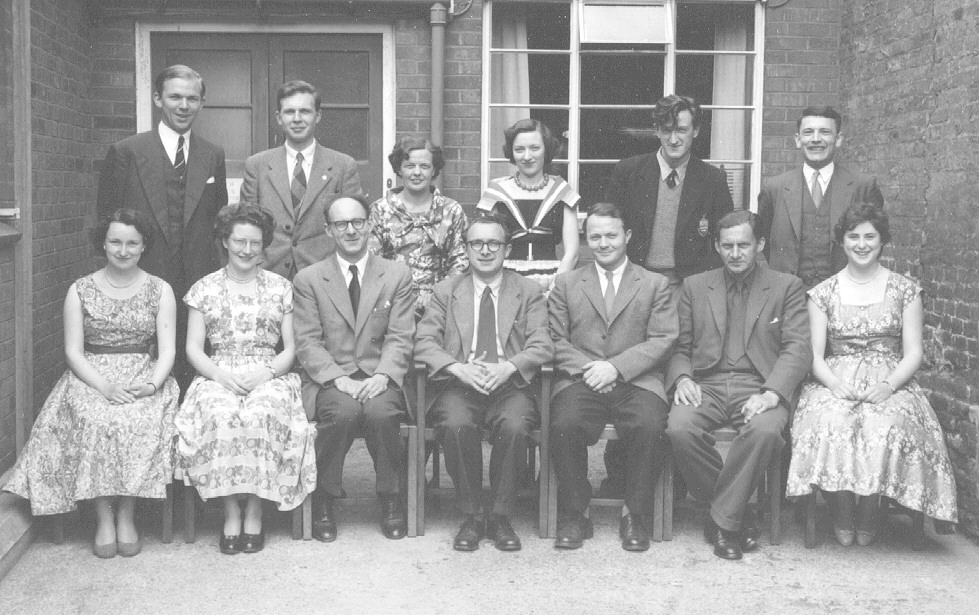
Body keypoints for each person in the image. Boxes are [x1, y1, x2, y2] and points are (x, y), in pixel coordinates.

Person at [5, 209, 179, 559]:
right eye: (115, 241)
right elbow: (73, 351)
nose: (123, 250)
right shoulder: (80, 289)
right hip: (91, 375)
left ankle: (127, 514)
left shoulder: (160, 289)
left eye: (132, 243)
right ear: (103, 243)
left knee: (138, 419)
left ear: (144, 246)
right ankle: (103, 517)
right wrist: (104, 386)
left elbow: (167, 350)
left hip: (141, 374)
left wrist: (150, 386)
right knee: (96, 419)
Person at [786, 203, 957, 546]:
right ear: (843, 242)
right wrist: (834, 384)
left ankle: (870, 508)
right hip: (835, 376)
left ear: (882, 241)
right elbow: (814, 355)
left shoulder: (905, 290)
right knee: (830, 420)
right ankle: (840, 506)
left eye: (869, 236)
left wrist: (888, 385)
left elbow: (914, 353)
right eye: (853, 237)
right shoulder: (823, 293)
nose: (861, 244)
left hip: (891, 377)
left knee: (887, 423)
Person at [602, 94, 734, 498]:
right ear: (656, 131)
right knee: (631, 369)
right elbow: (609, 226)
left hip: (685, 288)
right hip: (636, 286)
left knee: (675, 375)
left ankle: (672, 481)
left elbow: (721, 236)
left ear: (696, 131)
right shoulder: (629, 171)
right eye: (666, 128)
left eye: (682, 128)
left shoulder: (711, 179)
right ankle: (619, 473)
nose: (674, 137)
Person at [666, 210, 811, 560]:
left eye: (743, 245)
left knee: (764, 431)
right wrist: (683, 377)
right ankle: (736, 514)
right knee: (678, 428)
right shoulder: (695, 286)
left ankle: (722, 523)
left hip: (760, 386)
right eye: (727, 245)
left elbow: (798, 348)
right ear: (716, 246)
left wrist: (773, 392)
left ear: (759, 244)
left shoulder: (786, 286)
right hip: (707, 383)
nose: (735, 253)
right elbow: (677, 345)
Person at [175, 204, 316, 555]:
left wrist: (266, 373)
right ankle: (229, 511)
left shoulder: (281, 288)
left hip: (269, 371)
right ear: (225, 241)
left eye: (255, 243)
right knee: (220, 415)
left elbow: (292, 347)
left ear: (263, 245)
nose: (246, 250)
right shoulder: (203, 288)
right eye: (239, 241)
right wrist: (219, 375)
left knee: (260, 415)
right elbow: (193, 348)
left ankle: (255, 508)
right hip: (217, 371)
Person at [414, 213, 552, 552]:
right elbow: (423, 341)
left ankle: (501, 516)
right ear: (466, 248)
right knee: (456, 424)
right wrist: (458, 368)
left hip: (510, 384)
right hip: (460, 383)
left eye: (494, 243)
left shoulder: (528, 290)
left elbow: (543, 343)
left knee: (516, 426)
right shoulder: (447, 291)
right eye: (477, 243)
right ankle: (473, 515)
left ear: (506, 249)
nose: (485, 250)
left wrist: (509, 367)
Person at [548, 203, 677, 552]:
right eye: (595, 237)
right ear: (586, 240)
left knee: (651, 424)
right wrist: (590, 369)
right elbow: (554, 338)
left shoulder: (654, 284)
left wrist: (616, 367)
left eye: (611, 235)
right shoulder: (567, 282)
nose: (603, 243)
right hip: (581, 378)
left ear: (627, 236)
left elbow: (664, 338)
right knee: (564, 420)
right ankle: (576, 512)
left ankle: (634, 513)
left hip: (636, 380)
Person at [96, 64, 228, 392]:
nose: (184, 106)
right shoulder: (126, 152)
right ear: (158, 99)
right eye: (175, 97)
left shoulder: (213, 155)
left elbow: (218, 220)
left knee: (190, 373)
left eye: (192, 98)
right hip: (142, 279)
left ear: (201, 102)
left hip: (196, 281)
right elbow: (105, 223)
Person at [294, 194, 415, 542]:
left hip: (380, 375)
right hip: (333, 378)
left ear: (370, 224)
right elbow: (307, 341)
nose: (351, 230)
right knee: (343, 413)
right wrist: (340, 380)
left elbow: (401, 335)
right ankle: (324, 500)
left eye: (358, 222)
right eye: (341, 224)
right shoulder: (310, 279)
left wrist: (382, 376)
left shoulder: (396, 274)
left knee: (382, 413)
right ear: (328, 230)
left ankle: (391, 498)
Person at [240, 80, 363, 279]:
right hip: (268, 276)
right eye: (289, 112)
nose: (297, 119)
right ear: (279, 118)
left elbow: (354, 226)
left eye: (305, 111)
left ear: (318, 116)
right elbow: (246, 226)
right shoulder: (257, 165)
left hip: (325, 277)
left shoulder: (342, 166)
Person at [757, 106, 884, 289]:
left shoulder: (862, 186)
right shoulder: (774, 187)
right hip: (789, 297)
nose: (816, 139)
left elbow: (875, 243)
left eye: (825, 132)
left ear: (838, 139)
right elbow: (766, 242)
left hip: (846, 293)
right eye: (808, 132)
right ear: (798, 140)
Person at [368, 136, 469, 317]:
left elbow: (460, 262)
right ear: (399, 169)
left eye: (424, 166)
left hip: (442, 306)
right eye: (409, 166)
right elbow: (373, 262)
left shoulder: (451, 210)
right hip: (391, 306)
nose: (417, 172)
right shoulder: (380, 210)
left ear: (434, 170)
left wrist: (437, 296)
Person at [476, 118, 580, 290]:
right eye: (519, 149)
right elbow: (486, 246)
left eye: (534, 148)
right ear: (511, 152)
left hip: (553, 280)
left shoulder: (562, 191)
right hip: (505, 280)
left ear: (546, 150)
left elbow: (572, 253)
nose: (527, 157)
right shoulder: (496, 191)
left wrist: (555, 290)